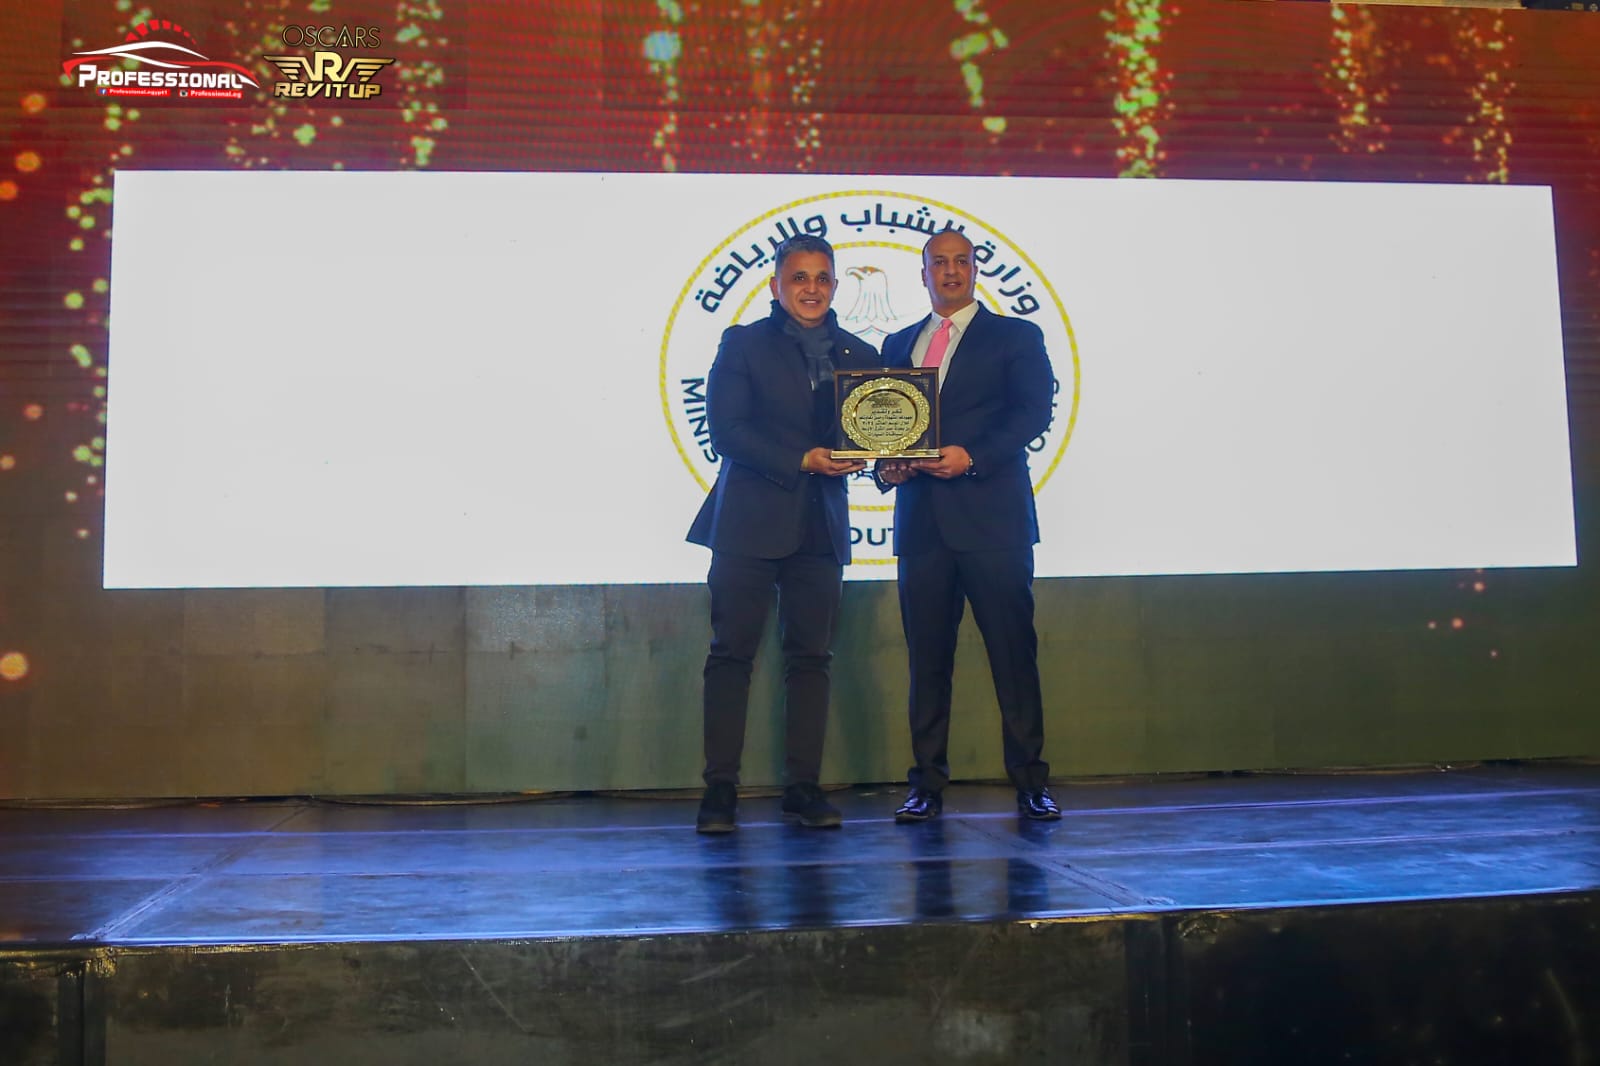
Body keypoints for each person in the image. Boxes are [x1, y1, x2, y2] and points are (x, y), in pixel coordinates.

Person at [686, 234, 879, 833]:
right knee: (730, 657)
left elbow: (878, 433)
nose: (811, 289)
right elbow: (728, 431)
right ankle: (720, 791)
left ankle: (803, 788)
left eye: (821, 278)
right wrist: (803, 459)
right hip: (748, 524)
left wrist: (891, 461)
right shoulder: (743, 343)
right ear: (776, 285)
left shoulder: (861, 354)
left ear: (835, 286)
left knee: (812, 660)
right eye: (799, 277)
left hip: (820, 528)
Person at [877, 228, 1061, 822]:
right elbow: (883, 425)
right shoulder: (897, 343)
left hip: (994, 524)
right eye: (939, 263)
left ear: (975, 269)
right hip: (922, 528)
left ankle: (1031, 782)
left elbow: (1033, 412)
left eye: (961, 261)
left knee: (1013, 656)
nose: (951, 271)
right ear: (923, 273)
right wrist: (887, 465)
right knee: (927, 663)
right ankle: (925, 785)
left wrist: (973, 456)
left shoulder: (1016, 336)